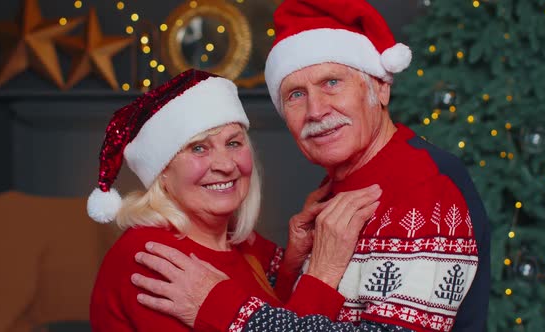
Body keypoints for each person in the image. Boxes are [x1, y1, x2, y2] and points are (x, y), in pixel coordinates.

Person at [132, 0, 491, 331]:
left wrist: (223, 308)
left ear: (381, 88)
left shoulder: (423, 185)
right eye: (296, 95)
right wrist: (292, 267)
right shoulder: (341, 185)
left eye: (332, 83)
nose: (316, 110)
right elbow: (309, 314)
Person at [86, 68, 383, 331]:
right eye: (198, 148)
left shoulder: (244, 243)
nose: (226, 165)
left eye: (233, 143)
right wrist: (322, 274)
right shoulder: (151, 258)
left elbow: (275, 314)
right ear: (161, 172)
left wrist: (293, 262)